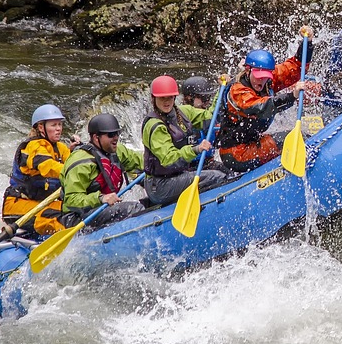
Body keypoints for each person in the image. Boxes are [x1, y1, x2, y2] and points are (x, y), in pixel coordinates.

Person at [217, 38, 317, 173]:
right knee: (287, 140)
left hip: (253, 141)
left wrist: (307, 44)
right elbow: (262, 108)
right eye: (258, 76)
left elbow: (292, 68)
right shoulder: (238, 91)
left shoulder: (267, 80)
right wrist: (291, 96)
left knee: (303, 136)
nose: (262, 80)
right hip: (237, 153)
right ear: (248, 71)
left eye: (265, 76)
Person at [141, 75, 227, 206]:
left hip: (177, 175)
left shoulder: (182, 112)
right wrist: (196, 149)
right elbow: (169, 159)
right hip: (161, 185)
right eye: (162, 98)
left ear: (175, 97)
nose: (166, 102)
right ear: (154, 98)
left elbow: (210, 117)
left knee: (220, 172)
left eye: (170, 97)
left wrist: (223, 89)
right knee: (216, 177)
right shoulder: (154, 126)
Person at [60, 112, 146, 229]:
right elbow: (71, 200)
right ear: (96, 137)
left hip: (101, 210)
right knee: (133, 209)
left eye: (117, 133)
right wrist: (101, 198)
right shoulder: (81, 162)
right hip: (77, 217)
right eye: (111, 134)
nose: (116, 137)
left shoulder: (117, 150)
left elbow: (142, 161)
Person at [2, 103, 72, 237]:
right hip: (18, 205)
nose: (58, 129)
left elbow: (74, 163)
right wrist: (73, 172)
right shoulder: (33, 147)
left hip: (42, 203)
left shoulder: (61, 148)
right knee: (60, 219)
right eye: (53, 125)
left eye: (60, 124)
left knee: (75, 209)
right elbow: (48, 167)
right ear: (41, 127)